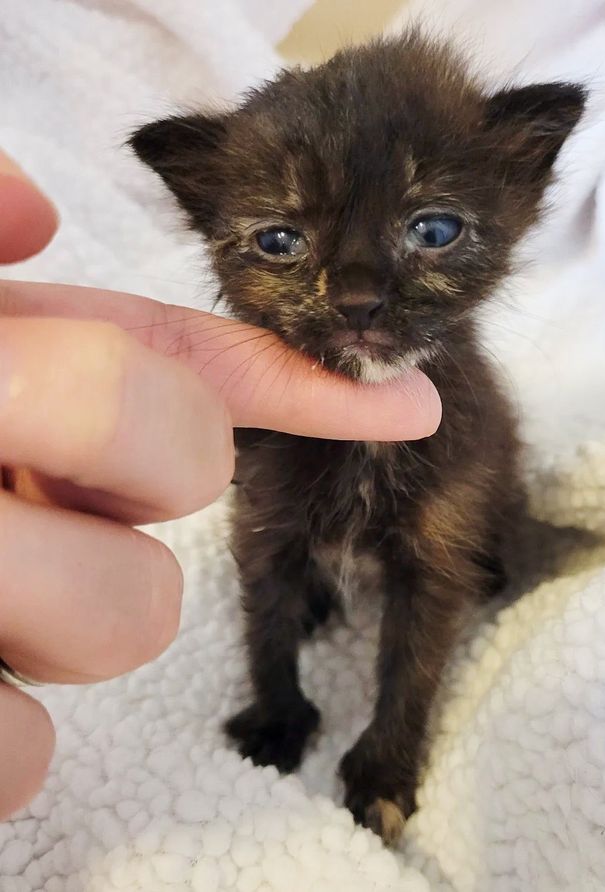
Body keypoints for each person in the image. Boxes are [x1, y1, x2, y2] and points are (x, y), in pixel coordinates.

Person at [0, 151, 441, 820]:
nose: (357, 292)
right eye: (280, 240)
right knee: (277, 554)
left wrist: (393, 749)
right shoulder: (263, 413)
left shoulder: (461, 419)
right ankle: (283, 701)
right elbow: (265, 559)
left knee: (445, 560)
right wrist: (275, 706)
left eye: (432, 231)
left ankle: (386, 748)